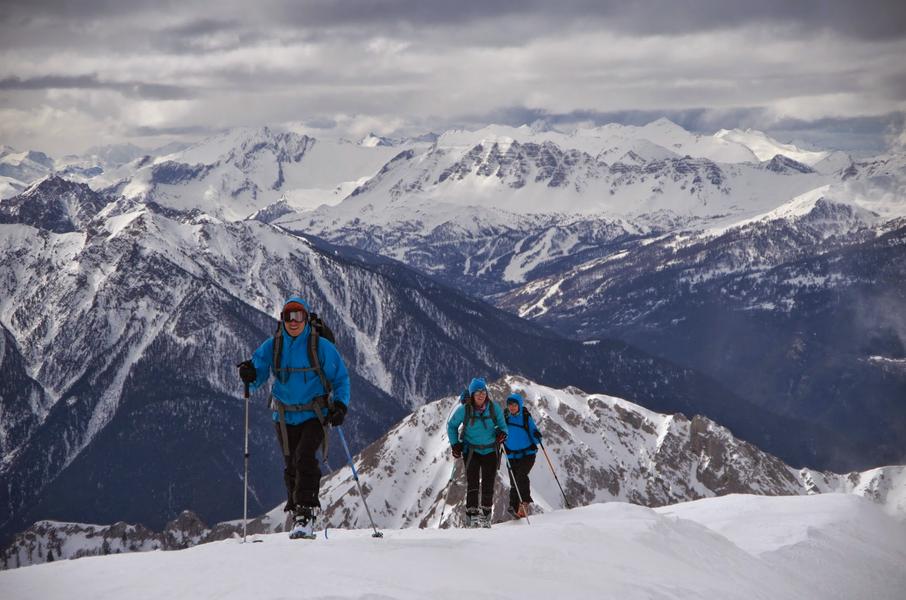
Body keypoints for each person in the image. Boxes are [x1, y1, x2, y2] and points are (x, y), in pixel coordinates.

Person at [237, 295, 350, 539]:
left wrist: (340, 405)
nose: (294, 321)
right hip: (284, 415)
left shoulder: (321, 347)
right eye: (288, 316)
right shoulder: (273, 345)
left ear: (307, 318)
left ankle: (305, 513)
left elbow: (340, 378)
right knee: (291, 463)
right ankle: (296, 510)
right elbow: (258, 372)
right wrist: (249, 374)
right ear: (282, 319)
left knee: (304, 457)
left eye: (299, 315)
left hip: (315, 414)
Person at [446, 377, 508, 528]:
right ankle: (472, 517)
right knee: (473, 483)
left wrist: (502, 433)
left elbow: (503, 426)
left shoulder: (494, 408)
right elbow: (451, 426)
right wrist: (455, 444)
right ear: (472, 394)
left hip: (490, 451)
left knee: (488, 484)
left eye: (483, 391)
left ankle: (486, 517)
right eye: (477, 392)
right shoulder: (464, 410)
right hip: (471, 451)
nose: (481, 394)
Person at [503, 392, 542, 519]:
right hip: (512, 456)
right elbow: (499, 431)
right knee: (514, 481)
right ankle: (514, 508)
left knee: (521, 476)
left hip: (527, 454)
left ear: (519, 405)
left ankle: (524, 503)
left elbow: (534, 433)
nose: (512, 407)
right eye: (510, 405)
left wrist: (537, 436)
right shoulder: (505, 418)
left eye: (515, 405)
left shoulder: (525, 418)